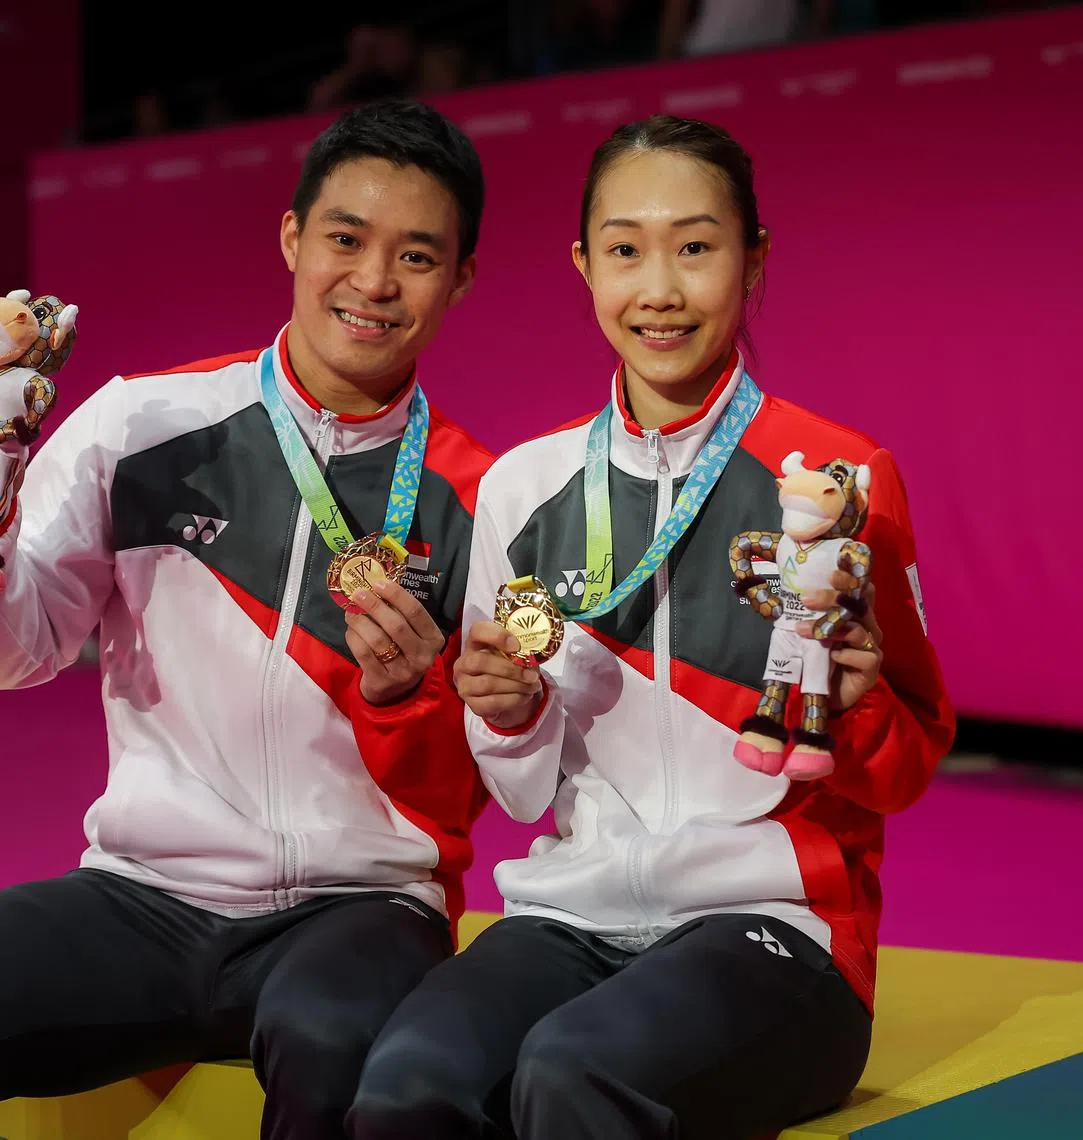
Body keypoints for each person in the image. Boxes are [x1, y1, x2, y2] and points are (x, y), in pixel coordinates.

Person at [348, 114, 956, 1140]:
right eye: (626, 250)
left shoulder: (839, 481)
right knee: (405, 1085)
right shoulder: (524, 490)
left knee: (573, 1074)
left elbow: (905, 769)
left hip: (778, 932)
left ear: (752, 261)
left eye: (696, 247)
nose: (660, 289)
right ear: (585, 266)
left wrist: (854, 712)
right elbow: (520, 788)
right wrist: (507, 713)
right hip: (571, 913)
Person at [0, 99, 494, 1140]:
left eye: (415, 256)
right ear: (292, 239)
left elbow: (500, 780)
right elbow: (21, 648)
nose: (371, 282)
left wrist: (413, 695)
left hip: (360, 909)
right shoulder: (143, 423)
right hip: (142, 892)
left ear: (460, 280)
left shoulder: (487, 503)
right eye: (346, 240)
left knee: (336, 1042)